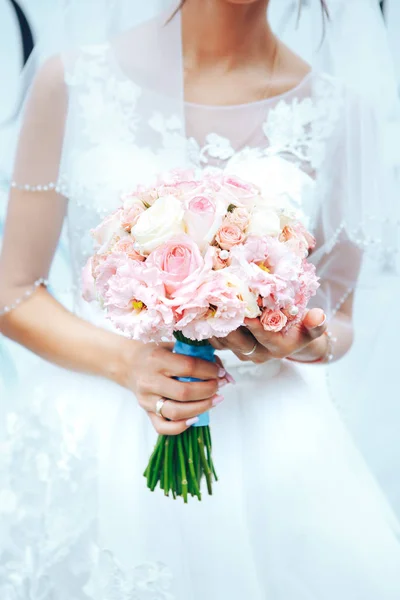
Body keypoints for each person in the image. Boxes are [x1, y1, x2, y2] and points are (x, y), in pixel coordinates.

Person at [0, 0, 399, 598]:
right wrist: (129, 362)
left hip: (269, 451)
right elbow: (12, 291)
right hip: (93, 434)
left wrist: (302, 339)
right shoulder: (74, 80)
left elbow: (338, 324)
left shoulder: (342, 113)